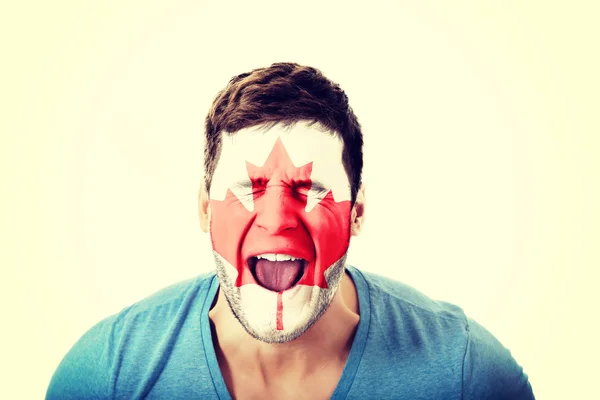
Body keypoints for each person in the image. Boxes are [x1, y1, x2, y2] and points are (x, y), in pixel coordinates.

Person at [46, 62, 535, 399]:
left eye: (311, 191)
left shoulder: (466, 374)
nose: (277, 220)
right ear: (204, 210)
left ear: (357, 213)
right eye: (249, 189)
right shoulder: (106, 375)